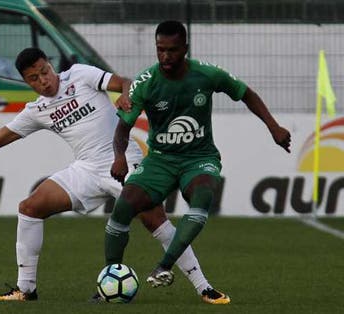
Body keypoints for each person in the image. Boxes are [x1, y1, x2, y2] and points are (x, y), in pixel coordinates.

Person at [0, 47, 230, 304]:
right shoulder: (36, 110)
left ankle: (204, 287)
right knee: (30, 208)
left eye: (44, 71)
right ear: (27, 82)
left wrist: (125, 96)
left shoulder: (80, 75)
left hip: (123, 161)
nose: (43, 81)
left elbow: (124, 81)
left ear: (50, 65)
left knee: (155, 220)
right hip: (86, 169)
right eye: (34, 78)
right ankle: (26, 290)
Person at [104, 20, 291, 291]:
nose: (166, 56)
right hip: (160, 159)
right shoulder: (145, 82)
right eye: (160, 50)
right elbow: (123, 127)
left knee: (202, 195)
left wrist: (273, 127)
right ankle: (110, 278)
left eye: (173, 50)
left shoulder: (207, 74)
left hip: (199, 157)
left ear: (185, 49)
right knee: (124, 206)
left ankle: (164, 266)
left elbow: (246, 94)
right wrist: (119, 156)